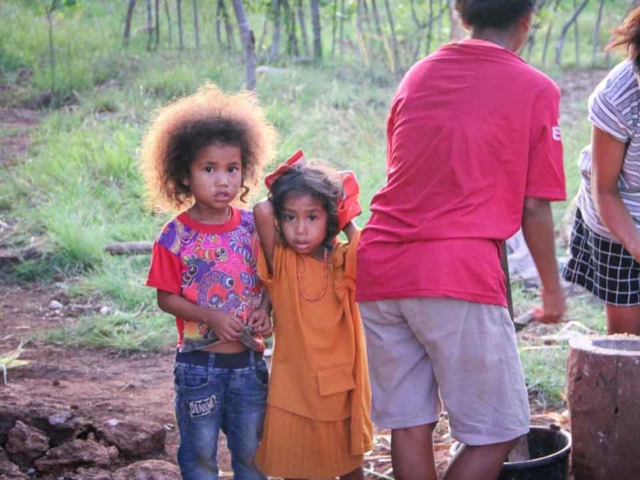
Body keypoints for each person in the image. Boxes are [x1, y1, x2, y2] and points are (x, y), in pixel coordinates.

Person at [356, 1, 567, 479]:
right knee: (498, 431)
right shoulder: (536, 88)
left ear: (462, 16)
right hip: (456, 274)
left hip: (380, 267)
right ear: (526, 21)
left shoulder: (418, 74)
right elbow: (535, 205)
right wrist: (552, 291)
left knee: (410, 425)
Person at [140, 83, 277, 480]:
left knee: (253, 455)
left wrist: (266, 310)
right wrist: (210, 316)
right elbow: (166, 298)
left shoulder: (254, 225)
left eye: (232, 169)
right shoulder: (175, 235)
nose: (223, 181)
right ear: (183, 175)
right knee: (200, 455)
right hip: (198, 367)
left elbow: (271, 280)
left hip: (250, 363)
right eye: (209, 169)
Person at [253, 153, 373, 480]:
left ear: (329, 219)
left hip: (338, 384)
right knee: (297, 467)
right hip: (294, 386)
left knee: (349, 467)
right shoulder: (281, 261)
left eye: (312, 217)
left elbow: (365, 245)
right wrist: (294, 176)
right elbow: (262, 210)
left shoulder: (339, 261)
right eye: (290, 218)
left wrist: (344, 216)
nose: (301, 230)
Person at [563, 6, 640, 335]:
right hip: (619, 221)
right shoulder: (617, 99)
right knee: (629, 347)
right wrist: (637, 246)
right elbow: (605, 190)